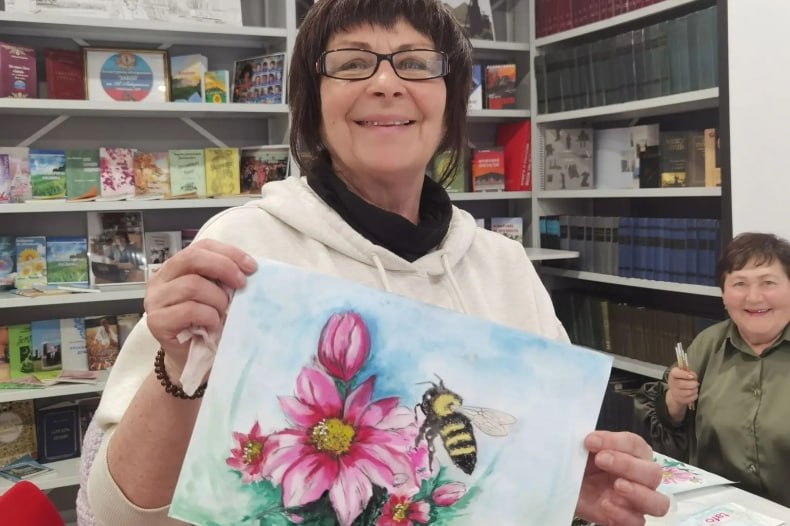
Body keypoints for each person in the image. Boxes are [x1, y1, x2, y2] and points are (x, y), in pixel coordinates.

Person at [79, 1, 668, 524]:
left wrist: (570, 486)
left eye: (415, 63)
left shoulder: (504, 265)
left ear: (449, 101)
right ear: (312, 103)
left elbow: (524, 468)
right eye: (353, 63)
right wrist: (178, 371)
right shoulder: (240, 252)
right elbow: (113, 515)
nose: (386, 83)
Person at [635, 232, 790, 507]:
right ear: (723, 295)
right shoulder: (707, 345)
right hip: (718, 510)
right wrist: (674, 402)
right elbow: (669, 449)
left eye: (768, 282)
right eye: (739, 283)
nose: (754, 297)